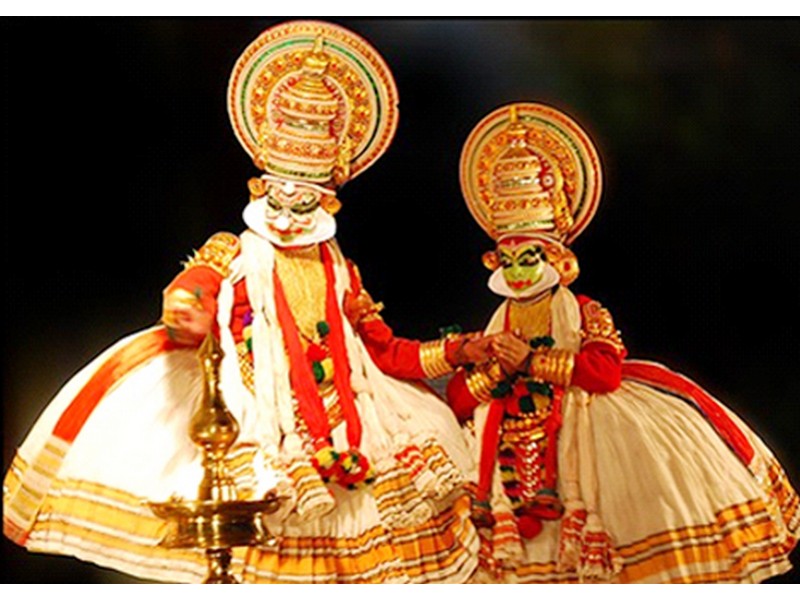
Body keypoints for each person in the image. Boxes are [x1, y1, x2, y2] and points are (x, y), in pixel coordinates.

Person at [2, 21, 490, 583]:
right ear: (262, 186)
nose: (288, 209)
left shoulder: (340, 270)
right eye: (279, 192)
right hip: (260, 415)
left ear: (326, 197)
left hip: (352, 418)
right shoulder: (233, 251)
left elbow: (383, 352)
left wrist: (457, 351)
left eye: (303, 196)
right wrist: (188, 310)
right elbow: (193, 292)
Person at [448, 102, 799, 583]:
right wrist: (496, 370)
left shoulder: (586, 312)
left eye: (528, 256)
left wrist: (532, 359)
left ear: (556, 257)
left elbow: (605, 373)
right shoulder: (495, 326)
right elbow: (460, 398)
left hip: (587, 439)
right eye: (506, 259)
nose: (517, 270)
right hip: (505, 456)